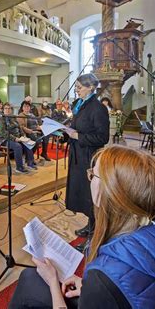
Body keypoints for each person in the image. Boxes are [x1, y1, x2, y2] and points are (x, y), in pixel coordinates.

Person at [9, 145, 155, 309]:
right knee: (30, 277)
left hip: (111, 291)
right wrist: (85, 286)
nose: (90, 179)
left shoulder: (101, 277)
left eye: (94, 175)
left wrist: (53, 282)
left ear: (111, 192)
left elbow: (114, 284)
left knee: (31, 280)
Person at [66, 73, 109, 252]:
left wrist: (78, 136)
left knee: (90, 196)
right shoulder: (79, 104)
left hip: (89, 157)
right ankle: (89, 225)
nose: (76, 90)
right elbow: (75, 125)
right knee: (81, 193)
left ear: (91, 87)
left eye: (79, 87)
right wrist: (64, 130)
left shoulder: (98, 108)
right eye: (76, 87)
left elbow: (102, 137)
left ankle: (94, 235)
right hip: (77, 154)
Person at [0, 104, 35, 173]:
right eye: (6, 108)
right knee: (18, 146)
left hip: (18, 137)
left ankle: (30, 163)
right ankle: (19, 167)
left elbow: (19, 127)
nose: (7, 110)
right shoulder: (1, 119)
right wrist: (14, 139)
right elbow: (3, 133)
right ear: (3, 110)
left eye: (9, 108)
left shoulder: (13, 117)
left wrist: (23, 135)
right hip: (5, 139)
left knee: (28, 142)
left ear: (11, 110)